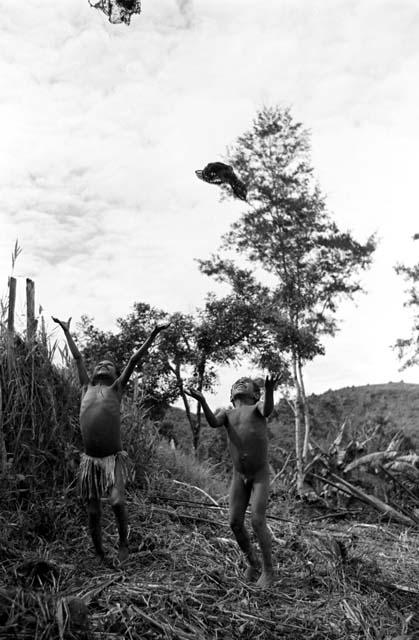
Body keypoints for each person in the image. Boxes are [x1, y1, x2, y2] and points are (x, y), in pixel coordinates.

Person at [52, 316, 168, 562]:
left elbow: (134, 360)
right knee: (93, 510)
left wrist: (153, 335)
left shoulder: (116, 388)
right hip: (90, 462)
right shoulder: (86, 387)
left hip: (113, 459)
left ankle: (124, 545)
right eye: (100, 364)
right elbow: (78, 358)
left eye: (108, 365)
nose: (103, 366)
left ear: (116, 374)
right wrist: (66, 330)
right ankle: (99, 551)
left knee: (116, 501)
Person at [185, 374, 279, 588]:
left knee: (257, 520)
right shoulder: (226, 413)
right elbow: (212, 422)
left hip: (259, 475)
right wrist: (203, 402)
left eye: (245, 383)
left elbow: (267, 409)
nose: (239, 383)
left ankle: (268, 570)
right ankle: (253, 563)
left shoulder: (257, 408)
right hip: (239, 476)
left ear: (256, 394)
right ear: (230, 395)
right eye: (236, 382)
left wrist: (270, 390)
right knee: (234, 522)